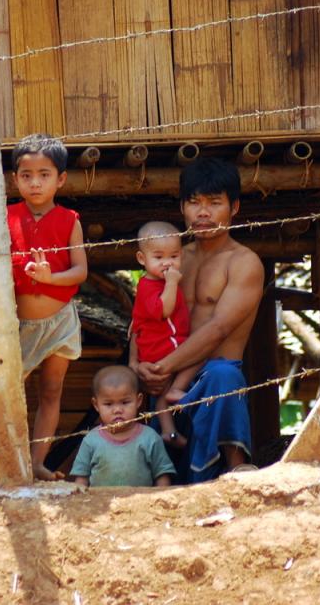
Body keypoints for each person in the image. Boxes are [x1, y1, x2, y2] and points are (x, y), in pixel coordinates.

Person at [0, 134, 88, 486]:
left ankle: (37, 463)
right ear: (14, 178)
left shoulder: (69, 219)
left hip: (61, 319)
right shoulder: (5, 217)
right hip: (18, 325)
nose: (35, 183)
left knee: (50, 392)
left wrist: (51, 276)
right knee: (4, 394)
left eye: (44, 174)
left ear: (60, 179)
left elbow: (80, 271)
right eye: (27, 175)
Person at [135, 158, 264, 482]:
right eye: (194, 203)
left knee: (223, 376)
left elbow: (219, 328)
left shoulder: (244, 262)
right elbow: (140, 318)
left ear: (234, 207)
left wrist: (164, 367)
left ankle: (236, 468)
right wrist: (140, 366)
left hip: (209, 373)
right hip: (163, 372)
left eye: (214, 203)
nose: (203, 213)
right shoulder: (170, 259)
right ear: (182, 207)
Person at [129, 221, 200, 449]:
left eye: (174, 256)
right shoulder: (148, 286)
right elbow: (164, 310)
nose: (167, 263)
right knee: (198, 354)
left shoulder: (157, 281)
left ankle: (169, 432)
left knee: (162, 394)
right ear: (142, 259)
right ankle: (179, 387)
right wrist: (171, 283)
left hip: (161, 345)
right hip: (162, 345)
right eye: (159, 258)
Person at [70, 366, 175, 488]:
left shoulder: (150, 438)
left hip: (140, 504)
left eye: (125, 402)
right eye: (108, 404)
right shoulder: (91, 440)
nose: (118, 410)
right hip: (102, 505)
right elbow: (81, 480)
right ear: (96, 405)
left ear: (138, 401)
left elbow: (162, 476)